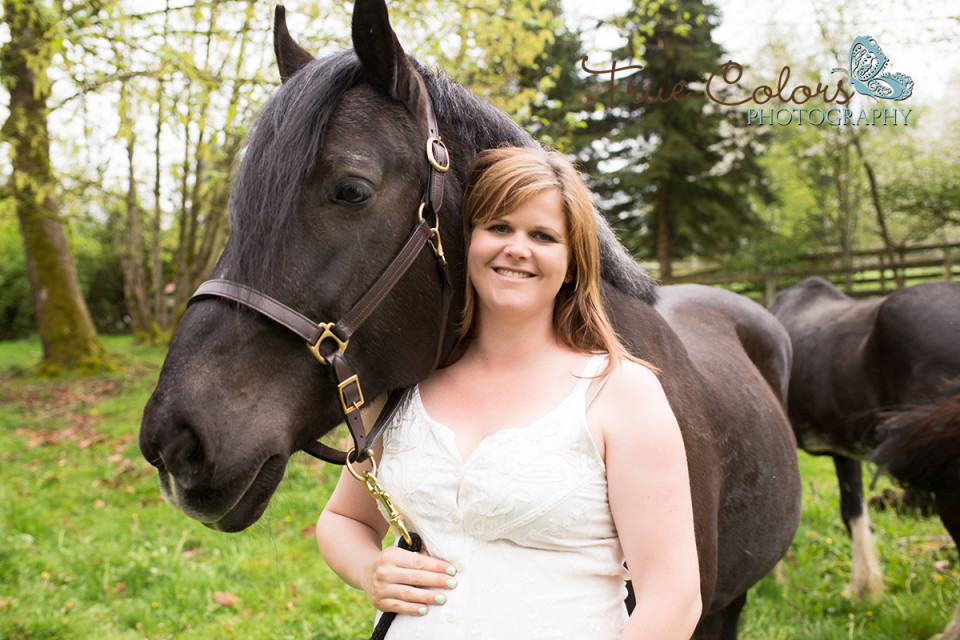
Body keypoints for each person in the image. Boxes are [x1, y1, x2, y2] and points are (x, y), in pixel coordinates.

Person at [316, 146, 702, 639]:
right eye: (499, 227)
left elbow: (674, 596)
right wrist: (369, 570)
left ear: (572, 262)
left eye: (542, 235)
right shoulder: (404, 385)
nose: (517, 247)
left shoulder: (620, 392)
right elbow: (344, 518)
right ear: (466, 242)